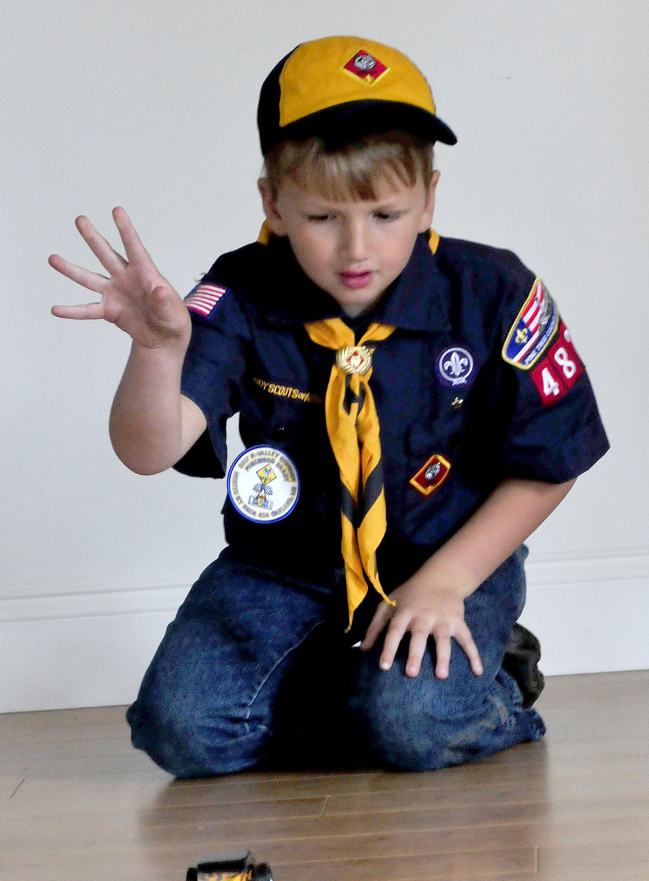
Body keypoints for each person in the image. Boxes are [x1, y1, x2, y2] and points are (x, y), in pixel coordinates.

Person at [49, 36, 609, 778]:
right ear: (273, 204)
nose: (356, 247)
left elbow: (550, 462)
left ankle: (479, 687)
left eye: (385, 214)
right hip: (286, 564)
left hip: (444, 554)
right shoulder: (238, 292)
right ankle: (365, 695)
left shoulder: (494, 291)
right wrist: (154, 353)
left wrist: (445, 582)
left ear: (429, 198)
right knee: (179, 734)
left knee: (415, 728)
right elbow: (147, 449)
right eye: (321, 218)